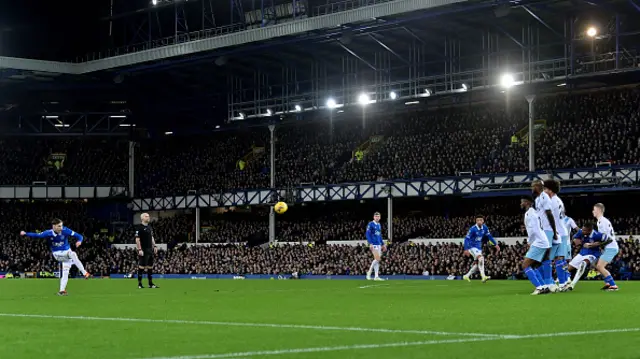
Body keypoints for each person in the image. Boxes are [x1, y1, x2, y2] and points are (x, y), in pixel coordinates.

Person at [20, 218, 90, 296]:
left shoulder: (65, 230)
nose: (61, 228)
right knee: (73, 254)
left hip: (67, 253)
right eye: (59, 226)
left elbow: (79, 236)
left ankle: (62, 291)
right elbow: (37, 235)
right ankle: (84, 273)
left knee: (65, 272)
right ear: (54, 226)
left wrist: (79, 241)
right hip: (57, 254)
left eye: (61, 225)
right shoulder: (48, 233)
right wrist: (25, 233)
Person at [520, 196, 551, 295]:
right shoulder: (532, 213)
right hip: (542, 241)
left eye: (522, 202)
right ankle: (544, 286)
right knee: (533, 265)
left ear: (527, 202)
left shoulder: (531, 214)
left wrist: (530, 242)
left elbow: (534, 230)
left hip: (539, 241)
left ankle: (539, 287)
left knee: (525, 265)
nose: (521, 204)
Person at [543, 179, 571, 290]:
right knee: (560, 258)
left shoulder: (551, 202)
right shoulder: (559, 200)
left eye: (545, 189)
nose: (544, 191)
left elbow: (550, 218)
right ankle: (564, 283)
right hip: (563, 231)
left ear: (550, 190)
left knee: (548, 258)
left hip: (556, 232)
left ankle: (549, 283)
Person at [531, 180, 558, 290]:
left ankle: (548, 282)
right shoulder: (538, 199)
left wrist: (554, 231)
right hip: (541, 230)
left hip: (547, 229)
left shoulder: (544, 197)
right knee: (542, 257)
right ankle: (548, 281)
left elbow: (549, 214)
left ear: (537, 186)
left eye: (533, 186)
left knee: (545, 256)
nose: (531, 188)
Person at [563, 223, 606, 291]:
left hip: (593, 254)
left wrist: (593, 244)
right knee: (567, 269)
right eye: (582, 230)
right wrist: (575, 240)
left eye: (584, 230)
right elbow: (575, 237)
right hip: (582, 253)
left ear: (590, 230)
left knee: (583, 264)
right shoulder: (581, 231)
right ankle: (567, 281)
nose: (582, 231)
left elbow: (608, 240)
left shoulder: (597, 235)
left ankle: (572, 285)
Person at [462, 215, 500, 283]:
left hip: (478, 247)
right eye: (477, 220)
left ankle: (466, 276)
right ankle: (483, 276)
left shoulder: (485, 227)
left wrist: (495, 244)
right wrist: (466, 249)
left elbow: (489, 237)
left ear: (483, 221)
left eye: (480, 220)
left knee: (477, 263)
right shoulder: (472, 229)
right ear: (476, 221)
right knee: (481, 258)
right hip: (472, 247)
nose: (479, 221)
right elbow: (466, 239)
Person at [592, 203, 619, 291]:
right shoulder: (600, 221)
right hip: (609, 247)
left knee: (600, 266)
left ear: (599, 210)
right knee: (597, 265)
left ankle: (613, 285)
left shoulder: (603, 222)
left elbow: (609, 239)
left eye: (594, 210)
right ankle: (607, 283)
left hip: (611, 247)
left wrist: (598, 244)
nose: (593, 211)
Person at [135, 213, 159, 289]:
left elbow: (151, 237)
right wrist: (139, 249)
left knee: (150, 267)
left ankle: (150, 284)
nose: (148, 217)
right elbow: (137, 240)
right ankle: (139, 284)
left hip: (150, 250)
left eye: (149, 216)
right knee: (141, 267)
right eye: (146, 216)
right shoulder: (139, 228)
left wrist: (154, 246)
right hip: (143, 249)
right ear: (142, 218)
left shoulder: (149, 227)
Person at [365, 212, 386, 281]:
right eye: (376, 216)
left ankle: (376, 276)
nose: (377, 217)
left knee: (377, 260)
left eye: (378, 216)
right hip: (373, 244)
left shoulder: (379, 225)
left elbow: (379, 235)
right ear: (373, 217)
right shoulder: (370, 224)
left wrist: (383, 244)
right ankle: (369, 272)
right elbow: (367, 234)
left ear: (380, 217)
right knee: (378, 259)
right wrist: (370, 243)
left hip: (378, 244)